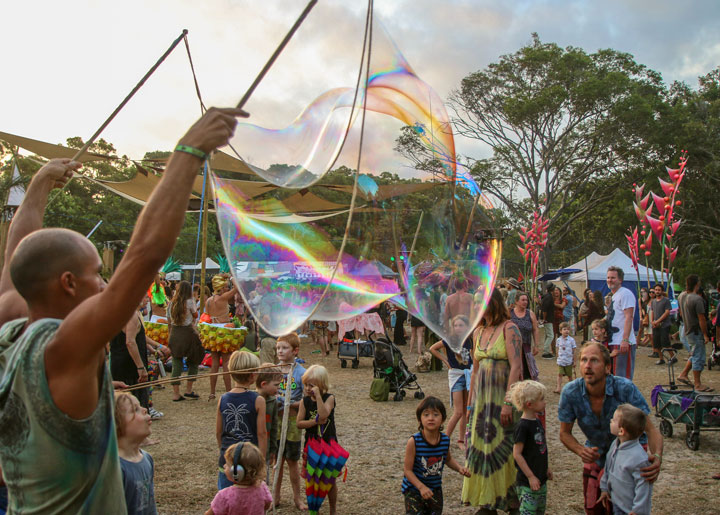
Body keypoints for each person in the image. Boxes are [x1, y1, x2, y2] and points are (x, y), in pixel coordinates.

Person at [0, 107, 246, 512]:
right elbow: (145, 254)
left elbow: (19, 250)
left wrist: (41, 182)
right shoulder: (64, 349)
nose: (104, 282)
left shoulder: (11, 323)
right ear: (68, 284)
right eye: (97, 272)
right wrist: (189, 151)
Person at [558, 342, 663, 515]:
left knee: (627, 507)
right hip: (596, 453)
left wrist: (657, 457)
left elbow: (651, 429)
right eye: (584, 360)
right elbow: (564, 433)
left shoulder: (625, 388)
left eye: (594, 360)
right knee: (593, 507)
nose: (588, 366)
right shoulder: (570, 392)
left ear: (608, 367)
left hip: (629, 452)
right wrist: (580, 450)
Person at [462, 288, 523, 513]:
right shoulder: (478, 332)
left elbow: (517, 366)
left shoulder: (510, 328)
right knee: (484, 449)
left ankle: (511, 501)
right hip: (482, 403)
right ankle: (488, 500)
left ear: (493, 303)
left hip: (503, 400)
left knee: (504, 449)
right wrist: (470, 405)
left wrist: (508, 402)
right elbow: (475, 371)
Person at [402, 396, 470, 515]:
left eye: (435, 414)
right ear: (420, 419)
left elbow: (448, 459)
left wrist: (460, 468)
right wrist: (421, 487)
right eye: (426, 414)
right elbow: (407, 471)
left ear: (443, 419)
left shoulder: (444, 440)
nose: (431, 418)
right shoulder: (414, 441)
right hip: (414, 490)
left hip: (435, 489)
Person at [216, 350, 267, 490]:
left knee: (227, 497)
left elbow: (219, 432)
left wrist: (224, 450)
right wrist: (261, 461)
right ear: (252, 376)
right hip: (250, 460)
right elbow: (262, 433)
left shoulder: (223, 399)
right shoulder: (258, 400)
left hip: (227, 458)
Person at [297, 365, 340, 515]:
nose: (308, 388)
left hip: (328, 444)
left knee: (330, 479)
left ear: (321, 385)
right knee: (312, 478)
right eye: (306, 384)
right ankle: (314, 508)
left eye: (312, 385)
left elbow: (323, 415)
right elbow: (299, 423)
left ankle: (333, 509)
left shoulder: (330, 398)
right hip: (311, 445)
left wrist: (319, 398)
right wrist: (314, 422)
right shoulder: (304, 401)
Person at [597, 404, 653, 515]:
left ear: (621, 431)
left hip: (630, 510)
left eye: (613, 420)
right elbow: (608, 468)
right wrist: (604, 489)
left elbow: (644, 488)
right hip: (616, 502)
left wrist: (638, 510)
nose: (610, 421)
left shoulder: (638, 458)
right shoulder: (615, 444)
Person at [428, 314, 473, 448]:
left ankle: (461, 440)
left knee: (466, 411)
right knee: (458, 411)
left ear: (466, 327)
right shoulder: (449, 340)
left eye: (461, 325)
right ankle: (445, 439)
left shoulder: (469, 340)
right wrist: (446, 361)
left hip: (468, 375)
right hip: (457, 376)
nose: (458, 328)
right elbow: (432, 348)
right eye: (456, 325)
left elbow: (472, 355)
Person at [274, 333, 307, 510]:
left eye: (284, 348)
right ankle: (275, 496)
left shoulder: (301, 373)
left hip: (293, 421)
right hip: (276, 421)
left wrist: (291, 404)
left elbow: (306, 399)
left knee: (292, 460)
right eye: (278, 348)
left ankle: (297, 498)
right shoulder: (273, 370)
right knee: (276, 460)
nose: (280, 351)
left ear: (295, 351)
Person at [510, 380, 552, 515]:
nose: (545, 402)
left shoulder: (537, 422)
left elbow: (540, 448)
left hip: (540, 478)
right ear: (529, 404)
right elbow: (517, 454)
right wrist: (530, 476)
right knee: (528, 511)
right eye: (541, 399)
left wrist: (546, 468)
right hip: (528, 483)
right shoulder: (523, 426)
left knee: (539, 510)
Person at [115, 393, 157, 515]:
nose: (145, 410)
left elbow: (150, 507)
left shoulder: (147, 459)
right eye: (135, 409)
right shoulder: (115, 468)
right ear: (116, 423)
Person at [206, 442, 273, 515]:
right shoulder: (262, 487)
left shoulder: (224, 496)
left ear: (237, 471)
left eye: (228, 465)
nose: (224, 466)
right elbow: (267, 505)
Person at [167, 280, 203, 401]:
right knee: (194, 360)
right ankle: (188, 389)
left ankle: (176, 393)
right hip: (187, 333)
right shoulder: (190, 301)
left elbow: (168, 321)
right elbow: (195, 315)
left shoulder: (171, 303)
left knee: (176, 362)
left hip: (175, 333)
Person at [205, 274, 240, 400]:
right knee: (226, 362)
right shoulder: (223, 298)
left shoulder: (208, 301)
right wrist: (231, 277)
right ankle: (228, 390)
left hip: (213, 331)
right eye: (225, 287)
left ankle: (212, 392)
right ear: (220, 287)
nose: (226, 289)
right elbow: (237, 288)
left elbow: (207, 315)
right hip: (224, 330)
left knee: (215, 363)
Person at [676, 274, 713, 391]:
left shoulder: (682, 296)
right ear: (697, 284)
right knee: (699, 356)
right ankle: (698, 384)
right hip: (695, 330)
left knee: (694, 353)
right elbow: (701, 319)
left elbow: (681, 313)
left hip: (686, 329)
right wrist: (706, 334)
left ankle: (684, 374)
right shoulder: (697, 299)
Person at [606, 266, 637, 379]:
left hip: (621, 342)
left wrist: (625, 340)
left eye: (613, 277)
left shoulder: (625, 294)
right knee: (613, 376)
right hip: (613, 340)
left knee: (622, 377)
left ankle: (624, 397)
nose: (610, 280)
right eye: (608, 277)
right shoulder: (614, 296)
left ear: (620, 280)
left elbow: (629, 317)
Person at [256, 365, 282, 473]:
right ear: (264, 384)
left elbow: (274, 427)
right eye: (276, 385)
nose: (279, 388)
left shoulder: (273, 402)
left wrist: (273, 450)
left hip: (266, 451)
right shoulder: (252, 400)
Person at [510, 292, 540, 381]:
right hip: (512, 347)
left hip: (526, 347)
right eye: (523, 300)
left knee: (527, 371)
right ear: (516, 301)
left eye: (526, 300)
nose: (525, 302)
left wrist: (536, 345)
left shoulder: (530, 314)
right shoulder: (510, 313)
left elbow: (535, 329)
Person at [650, 284, 676, 366]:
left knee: (665, 343)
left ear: (662, 291)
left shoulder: (666, 300)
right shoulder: (653, 301)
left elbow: (667, 312)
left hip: (664, 325)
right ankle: (661, 359)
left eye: (659, 290)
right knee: (657, 343)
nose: (657, 291)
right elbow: (652, 311)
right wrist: (652, 321)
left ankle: (673, 357)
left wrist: (658, 321)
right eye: (656, 290)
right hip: (655, 325)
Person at [555, 322, 576, 394]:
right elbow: (557, 349)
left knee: (569, 375)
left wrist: (574, 361)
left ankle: (573, 387)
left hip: (568, 361)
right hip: (561, 361)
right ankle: (558, 387)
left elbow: (573, 351)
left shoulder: (571, 340)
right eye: (564, 329)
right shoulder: (558, 340)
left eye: (568, 329)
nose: (566, 331)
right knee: (559, 374)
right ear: (560, 331)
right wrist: (557, 358)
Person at [540, 284, 556, 358]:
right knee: (551, 335)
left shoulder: (546, 297)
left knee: (547, 335)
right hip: (548, 318)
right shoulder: (549, 297)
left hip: (548, 318)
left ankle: (546, 350)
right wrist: (545, 319)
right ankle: (546, 351)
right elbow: (545, 309)